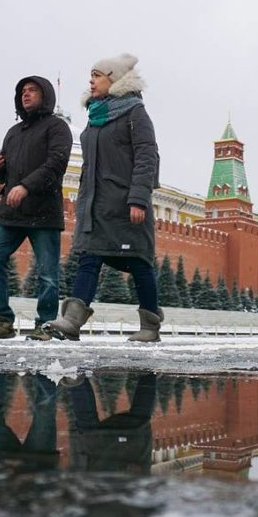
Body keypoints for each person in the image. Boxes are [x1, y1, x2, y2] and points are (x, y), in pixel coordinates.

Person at [44, 54, 162, 342]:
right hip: (97, 204)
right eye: (91, 75)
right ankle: (72, 321)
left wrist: (138, 199)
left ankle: (149, 326)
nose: (91, 81)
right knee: (89, 257)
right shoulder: (96, 116)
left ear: (115, 78)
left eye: (97, 75)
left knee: (139, 263)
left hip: (125, 203)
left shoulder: (135, 113)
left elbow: (148, 157)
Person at [0, 76, 72, 340]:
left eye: (32, 90)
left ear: (46, 95)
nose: (26, 94)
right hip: (10, 212)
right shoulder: (13, 132)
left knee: (48, 274)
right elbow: (7, 175)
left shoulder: (57, 128)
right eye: (22, 91)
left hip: (43, 212)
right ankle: (2, 321)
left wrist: (26, 186)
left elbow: (55, 165)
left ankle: (45, 324)